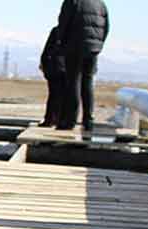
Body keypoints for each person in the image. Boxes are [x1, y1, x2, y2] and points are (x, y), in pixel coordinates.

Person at [55, 0, 109, 131]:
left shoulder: (73, 1)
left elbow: (63, 23)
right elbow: (107, 27)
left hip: (74, 46)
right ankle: (88, 120)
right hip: (93, 49)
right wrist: (98, 45)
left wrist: (59, 42)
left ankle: (70, 120)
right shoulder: (100, 4)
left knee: (73, 82)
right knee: (88, 82)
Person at [38, 26, 66, 127]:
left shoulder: (57, 30)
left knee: (54, 95)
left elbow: (47, 50)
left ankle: (51, 119)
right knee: (62, 95)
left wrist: (44, 63)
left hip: (55, 65)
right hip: (63, 65)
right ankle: (58, 119)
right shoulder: (76, 30)